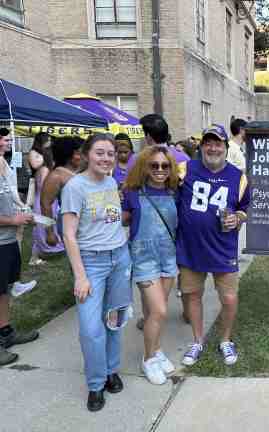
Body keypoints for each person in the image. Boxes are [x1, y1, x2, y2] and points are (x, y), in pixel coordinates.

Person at [61, 134, 132, 412]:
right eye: (100, 153)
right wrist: (80, 276)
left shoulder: (112, 181)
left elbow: (112, 221)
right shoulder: (75, 187)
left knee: (114, 320)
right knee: (91, 329)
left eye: (110, 154)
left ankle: (111, 370)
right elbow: (68, 234)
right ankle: (95, 383)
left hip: (119, 259)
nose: (106, 159)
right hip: (92, 264)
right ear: (86, 155)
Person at [177, 124, 250, 366]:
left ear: (226, 148)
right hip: (190, 247)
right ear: (201, 146)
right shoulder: (185, 168)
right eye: (208, 142)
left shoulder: (238, 177)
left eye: (218, 143)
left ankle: (225, 340)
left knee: (228, 298)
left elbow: (245, 208)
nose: (212, 147)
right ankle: (197, 340)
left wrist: (238, 218)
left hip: (222, 248)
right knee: (193, 296)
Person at [122, 146, 179, 385]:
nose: (159, 170)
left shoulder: (176, 192)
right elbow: (118, 220)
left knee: (153, 312)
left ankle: (156, 349)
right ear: (144, 166)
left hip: (168, 257)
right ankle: (147, 359)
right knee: (159, 312)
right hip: (144, 259)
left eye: (165, 166)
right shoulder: (132, 193)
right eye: (154, 165)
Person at [0, 128, 40, 366]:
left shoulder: (3, 165)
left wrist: (21, 214)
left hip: (7, 240)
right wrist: (12, 220)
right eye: (3, 138)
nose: (8, 141)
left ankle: (5, 332)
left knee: (3, 289)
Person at [28, 133, 66, 263]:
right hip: (43, 200)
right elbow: (44, 187)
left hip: (47, 200)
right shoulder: (44, 168)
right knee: (42, 225)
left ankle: (37, 255)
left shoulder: (45, 168)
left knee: (44, 224)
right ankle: (38, 254)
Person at [41, 136, 83, 247]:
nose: (82, 157)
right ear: (69, 155)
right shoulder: (56, 176)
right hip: (70, 223)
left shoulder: (80, 171)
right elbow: (45, 204)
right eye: (79, 153)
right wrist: (49, 233)